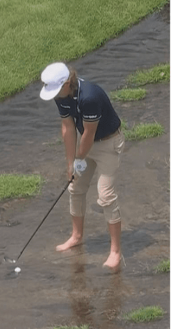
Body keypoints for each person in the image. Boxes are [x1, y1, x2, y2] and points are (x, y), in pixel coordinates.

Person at [40, 62, 125, 269]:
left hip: (108, 143)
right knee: (75, 187)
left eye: (56, 89)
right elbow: (68, 128)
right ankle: (76, 236)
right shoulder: (62, 96)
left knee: (105, 195)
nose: (54, 95)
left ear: (67, 83)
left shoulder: (90, 97)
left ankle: (115, 253)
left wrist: (79, 159)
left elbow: (88, 133)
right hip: (88, 145)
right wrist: (71, 164)